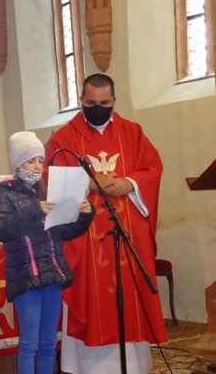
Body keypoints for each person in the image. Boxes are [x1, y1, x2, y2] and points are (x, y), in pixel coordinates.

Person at [44, 73, 168, 374]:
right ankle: (90, 368)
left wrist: (130, 182)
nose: (98, 108)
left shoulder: (132, 132)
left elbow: (153, 167)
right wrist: (89, 181)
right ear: (81, 100)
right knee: (91, 300)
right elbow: (51, 178)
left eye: (104, 103)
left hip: (126, 236)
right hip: (85, 240)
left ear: (114, 101)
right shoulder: (64, 137)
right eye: (91, 103)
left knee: (130, 300)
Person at [0, 131, 94, 374]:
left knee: (49, 343)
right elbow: (0, 229)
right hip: (26, 276)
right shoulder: (2, 193)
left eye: (41, 160)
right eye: (31, 160)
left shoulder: (44, 191)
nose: (37, 165)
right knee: (30, 344)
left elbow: (64, 230)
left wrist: (85, 214)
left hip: (51, 273)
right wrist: (34, 210)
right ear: (18, 163)